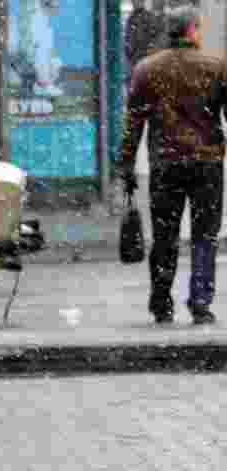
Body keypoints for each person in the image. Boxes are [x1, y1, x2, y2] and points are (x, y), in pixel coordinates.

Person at [117, 5, 227, 325]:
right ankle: (200, 302)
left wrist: (125, 165)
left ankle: (161, 302)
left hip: (165, 164)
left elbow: (133, 124)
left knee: (165, 236)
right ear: (192, 31)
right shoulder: (216, 67)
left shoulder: (147, 69)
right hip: (207, 164)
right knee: (205, 236)